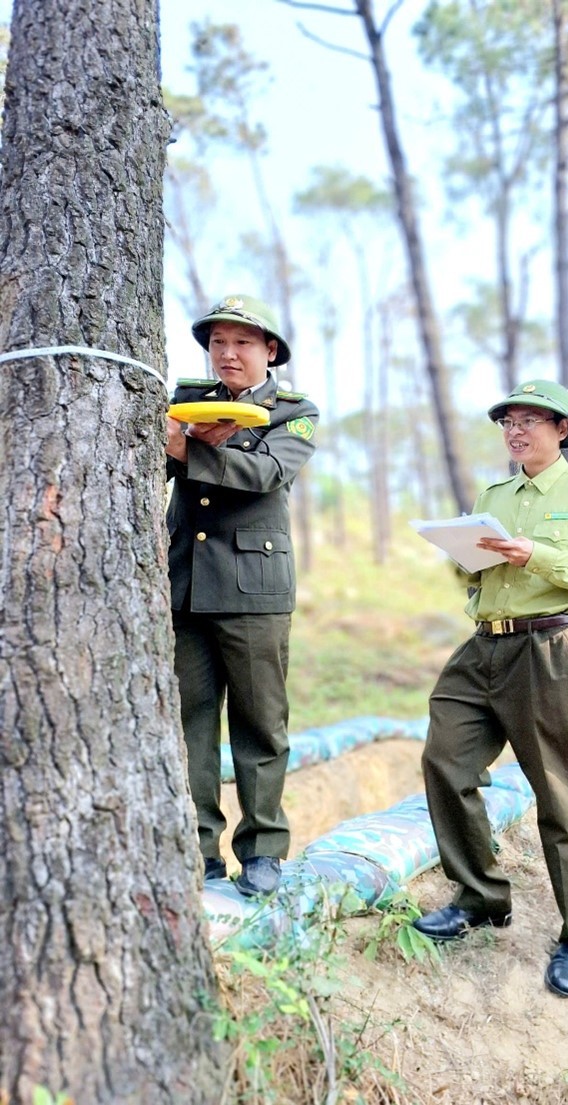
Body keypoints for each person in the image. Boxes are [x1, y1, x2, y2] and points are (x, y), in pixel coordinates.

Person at [413, 379, 568, 997]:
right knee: (445, 760)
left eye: (530, 421)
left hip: (552, 647)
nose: (515, 431)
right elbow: (474, 570)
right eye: (508, 422)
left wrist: (533, 554)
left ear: (561, 430)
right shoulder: (495, 494)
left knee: (562, 787)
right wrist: (463, 552)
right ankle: (482, 895)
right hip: (484, 644)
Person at [165, 294, 318, 896]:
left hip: (255, 590)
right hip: (187, 586)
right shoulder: (185, 402)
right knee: (190, 724)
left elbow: (265, 475)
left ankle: (262, 849)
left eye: (243, 342)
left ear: (269, 351)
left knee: (259, 724)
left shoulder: (293, 411)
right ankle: (199, 848)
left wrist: (188, 449)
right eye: (217, 342)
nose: (227, 353)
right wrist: (179, 438)